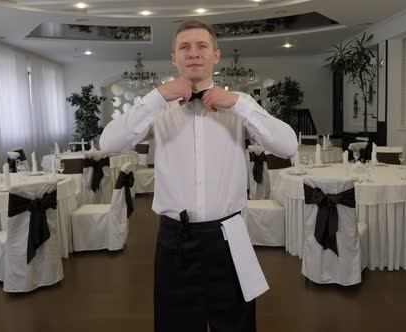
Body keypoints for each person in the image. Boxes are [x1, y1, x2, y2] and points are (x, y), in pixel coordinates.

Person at [100, 20, 297, 332]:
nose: (193, 53)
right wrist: (156, 97)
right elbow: (108, 144)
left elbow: (287, 146)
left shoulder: (238, 108)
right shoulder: (159, 109)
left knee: (237, 326)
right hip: (174, 239)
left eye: (202, 46)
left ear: (215, 56)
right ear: (174, 58)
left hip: (230, 236)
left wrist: (240, 102)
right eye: (185, 47)